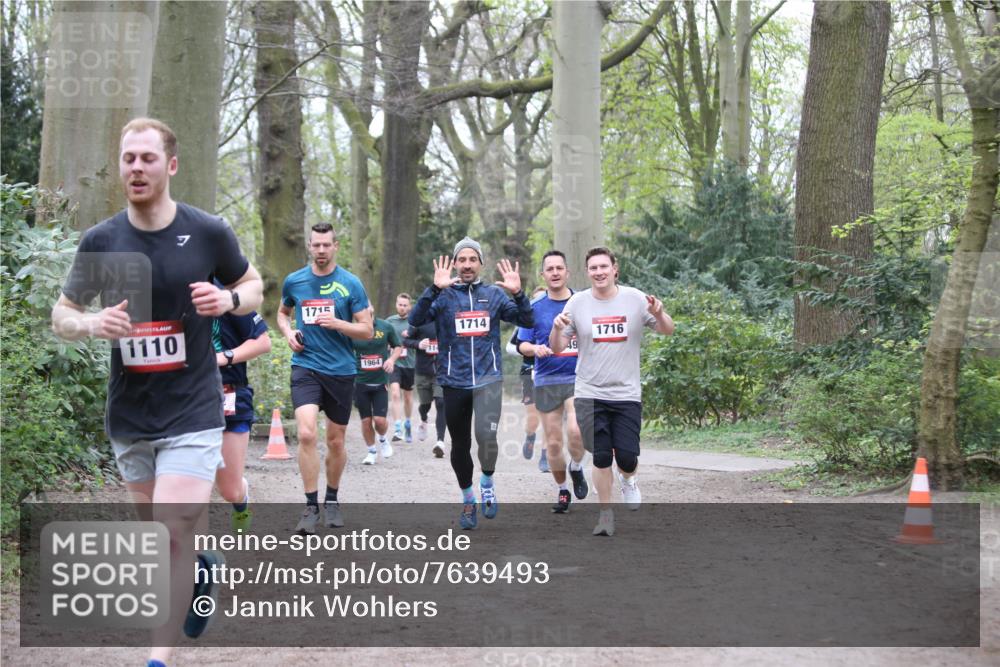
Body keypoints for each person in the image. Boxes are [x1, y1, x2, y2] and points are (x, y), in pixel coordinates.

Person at [51, 118, 264, 666]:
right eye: (128, 158)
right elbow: (62, 316)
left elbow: (252, 284)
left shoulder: (208, 231)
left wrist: (231, 303)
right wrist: (92, 324)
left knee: (171, 529)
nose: (136, 168)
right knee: (158, 540)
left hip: (193, 408)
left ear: (170, 166)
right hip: (131, 414)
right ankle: (198, 571)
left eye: (147, 158)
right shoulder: (102, 241)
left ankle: (156, 659)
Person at [409, 237, 533, 529]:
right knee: (460, 444)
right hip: (454, 382)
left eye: (471, 260)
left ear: (480, 263)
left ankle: (487, 481)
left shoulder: (494, 295)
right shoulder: (442, 296)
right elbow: (415, 319)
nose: (466, 265)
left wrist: (518, 294)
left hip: (489, 380)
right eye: (461, 260)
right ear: (454, 264)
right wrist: (433, 289)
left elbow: (527, 322)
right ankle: (468, 498)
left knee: (486, 438)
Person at [549, 246, 674, 537]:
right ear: (588, 272)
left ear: (615, 269)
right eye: (593, 268)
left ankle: (628, 480)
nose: (599, 272)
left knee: (627, 457)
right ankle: (605, 515)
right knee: (602, 456)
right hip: (590, 392)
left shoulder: (634, 299)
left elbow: (667, 329)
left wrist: (660, 312)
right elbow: (556, 347)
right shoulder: (577, 303)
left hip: (626, 393)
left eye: (604, 266)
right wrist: (556, 329)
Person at [277, 223, 373, 535]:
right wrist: (289, 333)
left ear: (336, 246)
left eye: (326, 245)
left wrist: (338, 324)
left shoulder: (350, 284)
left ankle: (332, 499)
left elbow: (367, 329)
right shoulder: (295, 281)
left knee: (335, 440)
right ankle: (309, 506)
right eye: (316, 245)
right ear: (309, 245)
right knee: (306, 434)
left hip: (341, 370)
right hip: (305, 365)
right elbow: (282, 313)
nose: (321, 251)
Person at [517, 251, 588, 513]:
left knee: (577, 431)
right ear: (543, 275)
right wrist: (535, 349)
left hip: (578, 378)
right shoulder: (534, 308)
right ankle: (562, 490)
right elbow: (521, 343)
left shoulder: (583, 302)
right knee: (555, 443)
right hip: (547, 379)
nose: (555, 272)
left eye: (560, 268)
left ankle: (577, 467)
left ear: (567, 272)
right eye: (550, 269)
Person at [212, 283, 271, 533]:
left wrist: (223, 357)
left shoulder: (224, 294)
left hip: (229, 393)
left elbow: (262, 342)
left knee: (230, 490)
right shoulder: (166, 292)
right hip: (183, 397)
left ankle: (241, 500)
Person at [352, 305, 403, 464]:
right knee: (366, 421)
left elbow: (398, 346)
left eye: (366, 306)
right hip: (360, 382)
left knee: (380, 421)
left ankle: (382, 438)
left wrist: (391, 359)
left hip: (380, 381)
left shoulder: (385, 327)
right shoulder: (352, 329)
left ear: (372, 309)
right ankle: (371, 452)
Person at [403, 319, 447, 458]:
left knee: (441, 403)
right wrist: (418, 344)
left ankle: (440, 441)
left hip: (442, 371)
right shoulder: (420, 321)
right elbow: (405, 341)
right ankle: (423, 420)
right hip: (423, 371)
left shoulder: (447, 318)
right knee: (425, 405)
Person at [385, 293, 415, 442]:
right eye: (400, 304)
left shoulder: (414, 321)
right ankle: (398, 428)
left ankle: (408, 422)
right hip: (394, 363)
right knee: (395, 393)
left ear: (409, 306)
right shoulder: (389, 322)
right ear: (396, 305)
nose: (402, 307)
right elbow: (382, 339)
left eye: (405, 305)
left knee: (408, 397)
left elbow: (420, 340)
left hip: (410, 363)